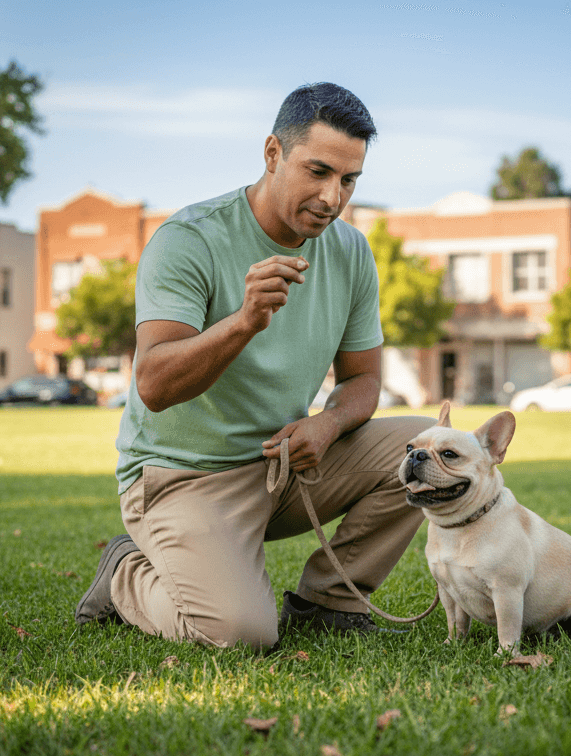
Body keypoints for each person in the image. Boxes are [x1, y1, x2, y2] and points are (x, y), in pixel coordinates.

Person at [73, 83, 434, 651]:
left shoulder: (351, 252)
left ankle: (329, 603)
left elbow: (364, 381)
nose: (332, 197)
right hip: (183, 478)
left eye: (348, 180)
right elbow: (155, 384)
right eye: (317, 172)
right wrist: (243, 321)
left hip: (283, 466)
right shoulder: (188, 240)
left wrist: (328, 423)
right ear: (273, 154)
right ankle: (125, 574)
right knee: (241, 634)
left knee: (426, 446)